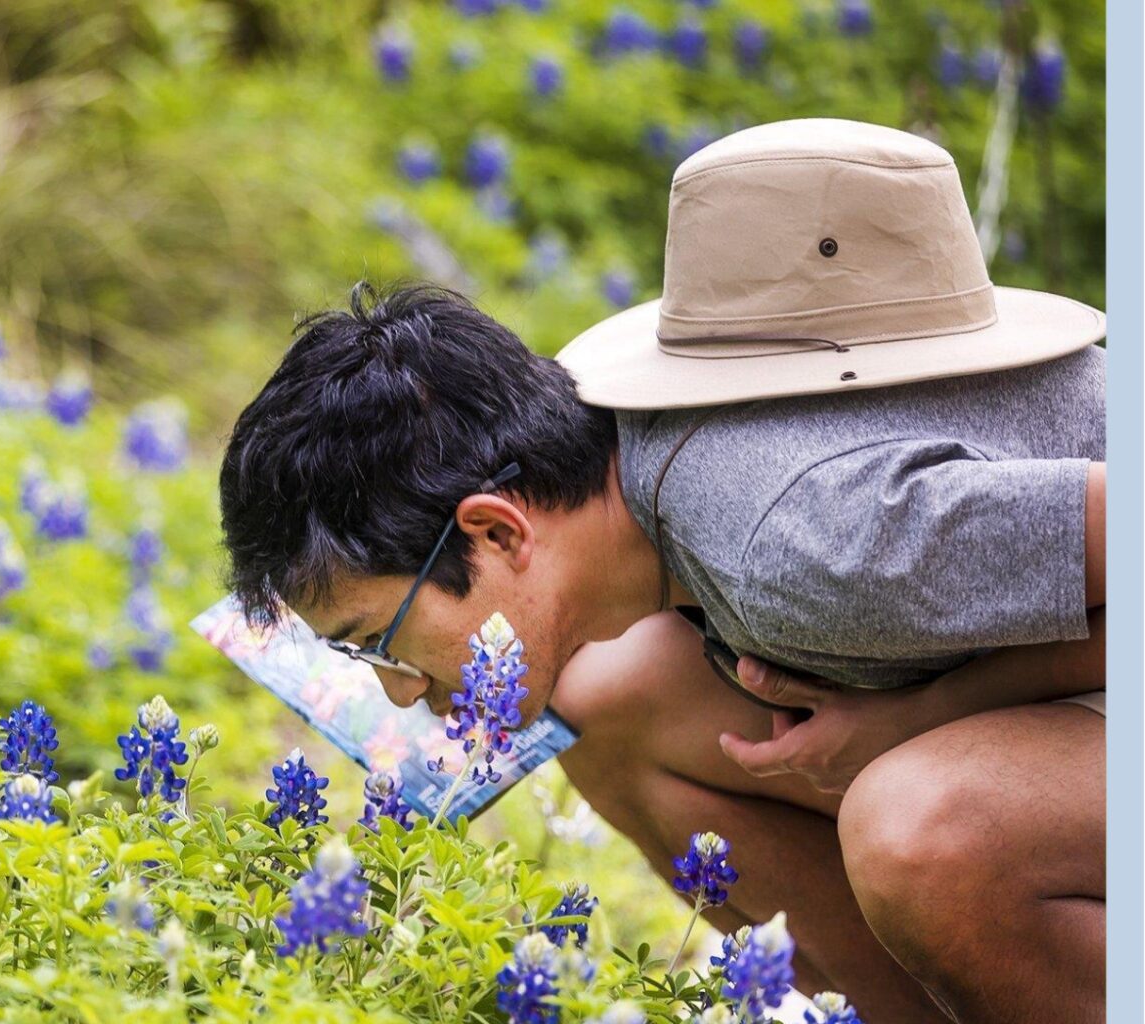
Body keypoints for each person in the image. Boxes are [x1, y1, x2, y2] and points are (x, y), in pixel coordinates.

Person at [215, 120, 1105, 1023]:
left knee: (917, 828)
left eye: (378, 642)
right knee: (611, 693)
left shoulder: (806, 546)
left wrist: (917, 719)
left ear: (494, 532)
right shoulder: (633, 464)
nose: (401, 694)